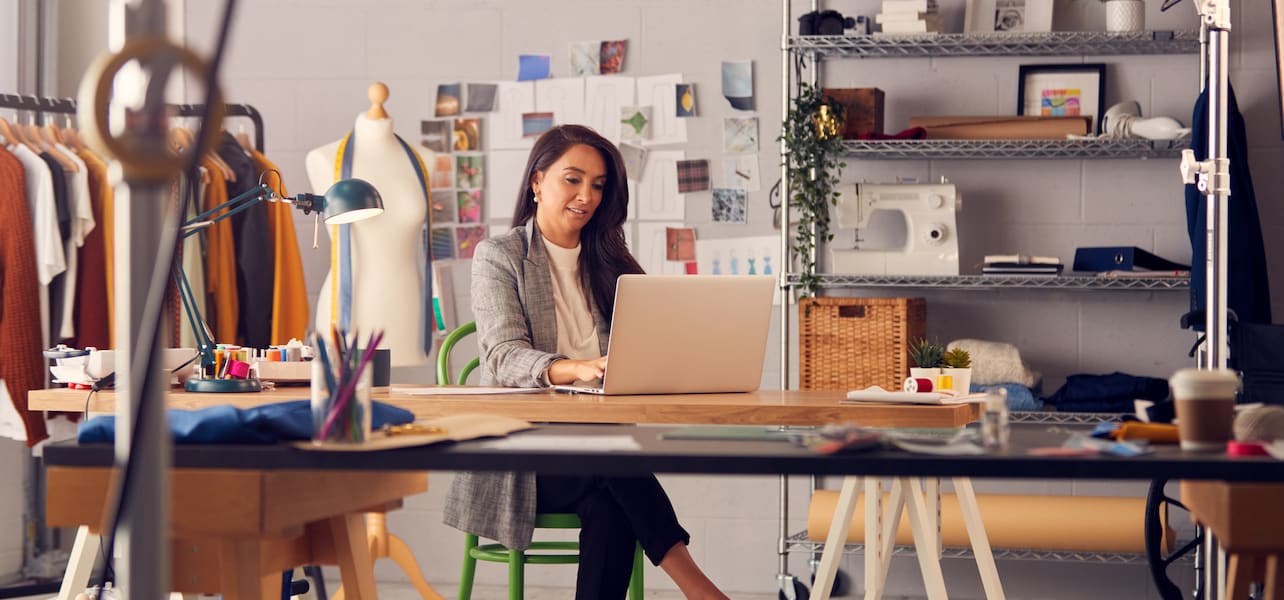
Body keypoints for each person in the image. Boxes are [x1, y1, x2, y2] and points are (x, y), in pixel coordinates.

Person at [443, 125, 728, 600]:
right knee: (611, 463)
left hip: (598, 453)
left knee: (610, 501)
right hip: (520, 460)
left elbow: (649, 348)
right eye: (572, 180)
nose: (586, 196)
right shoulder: (500, 256)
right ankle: (698, 588)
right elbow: (502, 355)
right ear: (537, 181)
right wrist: (577, 367)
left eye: (598, 185)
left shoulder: (611, 261)